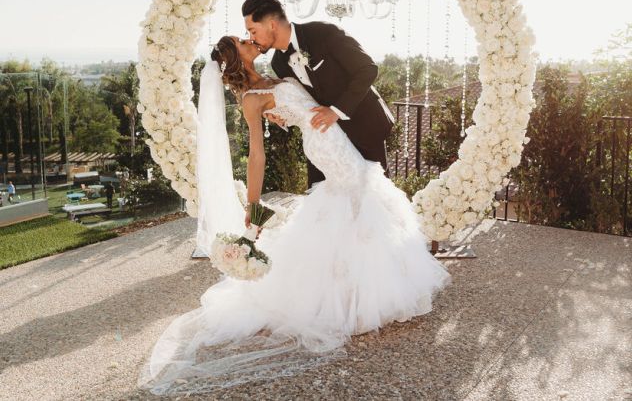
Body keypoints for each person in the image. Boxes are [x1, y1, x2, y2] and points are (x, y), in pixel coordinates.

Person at [137, 35, 451, 395]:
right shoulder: (250, 101)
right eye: (242, 40)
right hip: (323, 145)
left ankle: (354, 286)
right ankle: (354, 297)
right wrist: (253, 206)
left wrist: (295, 110)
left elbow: (307, 98)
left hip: (332, 136)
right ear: (235, 57)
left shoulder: (275, 76)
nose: (249, 39)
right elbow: (257, 156)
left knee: (359, 197)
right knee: (359, 196)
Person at [242, 0, 395, 189]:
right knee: (321, 198)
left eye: (253, 31)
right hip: (326, 139)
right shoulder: (278, 63)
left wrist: (336, 111)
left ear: (272, 24)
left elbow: (367, 69)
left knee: (373, 194)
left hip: (364, 125)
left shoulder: (323, 33)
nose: (251, 38)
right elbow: (301, 100)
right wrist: (282, 115)